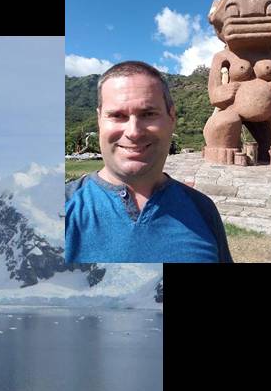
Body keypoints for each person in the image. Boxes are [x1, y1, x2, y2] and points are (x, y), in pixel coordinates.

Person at [65, 61, 233, 263]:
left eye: (148, 114)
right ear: (100, 119)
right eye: (117, 115)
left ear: (172, 117)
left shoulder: (203, 210)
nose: (133, 132)